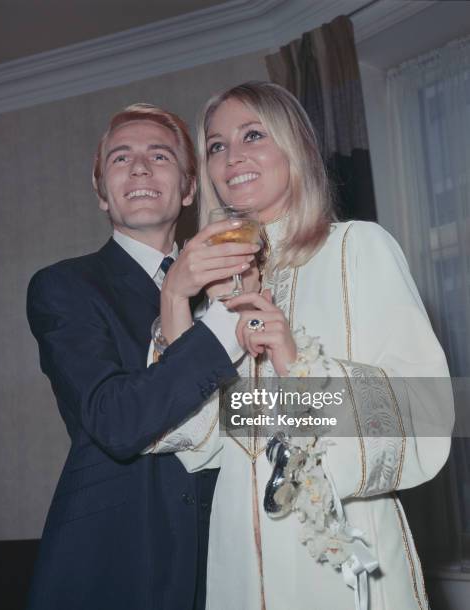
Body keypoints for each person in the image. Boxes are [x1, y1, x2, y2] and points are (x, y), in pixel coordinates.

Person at [146, 82, 453, 610]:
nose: (231, 156)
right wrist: (175, 296)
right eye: (216, 145)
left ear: (296, 148)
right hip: (239, 556)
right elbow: (193, 436)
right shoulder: (216, 296)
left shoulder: (358, 248)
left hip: (344, 548)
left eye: (252, 135)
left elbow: (425, 409)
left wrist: (296, 363)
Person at [25, 103, 262, 610]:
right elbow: (115, 420)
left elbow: (254, 421)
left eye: (159, 155)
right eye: (120, 158)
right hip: (116, 563)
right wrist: (222, 323)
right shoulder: (63, 287)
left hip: (231, 560)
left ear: (190, 188)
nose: (139, 167)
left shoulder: (239, 284)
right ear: (100, 194)